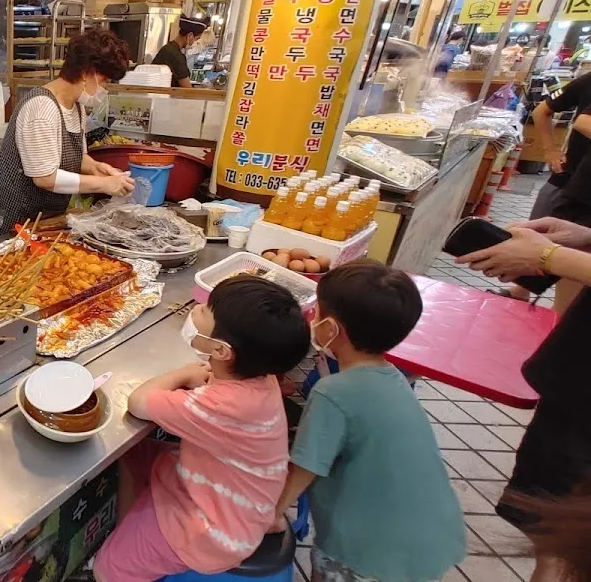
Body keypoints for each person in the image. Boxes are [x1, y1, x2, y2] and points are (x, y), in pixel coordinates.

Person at [93, 277, 310, 582]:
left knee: (107, 570)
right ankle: (133, 538)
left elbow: (138, 402)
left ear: (222, 350)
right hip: (227, 489)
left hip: (212, 529)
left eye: (207, 310)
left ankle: (130, 561)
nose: (196, 309)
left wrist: (182, 374)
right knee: (134, 454)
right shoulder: (260, 376)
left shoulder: (224, 404)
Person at [271, 261, 466, 582]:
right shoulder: (394, 377)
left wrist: (270, 515)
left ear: (331, 329)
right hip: (430, 536)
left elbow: (304, 469)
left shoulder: (333, 391)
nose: (312, 319)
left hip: (365, 550)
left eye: (317, 313)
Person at [456, 217, 591, 582]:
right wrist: (585, 239)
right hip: (575, 387)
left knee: (564, 548)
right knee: (553, 538)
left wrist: (548, 257)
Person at [0, 27, 134, 235]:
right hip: (13, 223)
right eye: (105, 81)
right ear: (86, 73)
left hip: (45, 221)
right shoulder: (41, 109)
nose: (105, 89)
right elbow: (45, 178)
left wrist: (97, 168)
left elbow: (74, 156)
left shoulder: (77, 106)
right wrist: (103, 184)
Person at [500, 74, 591, 306]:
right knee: (545, 236)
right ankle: (524, 291)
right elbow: (579, 121)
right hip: (572, 183)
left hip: (578, 191)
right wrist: (550, 150)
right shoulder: (587, 80)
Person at [150, 14, 209, 88]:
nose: (196, 42)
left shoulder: (168, 48)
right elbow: (187, 89)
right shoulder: (176, 56)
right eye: (197, 39)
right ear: (190, 36)